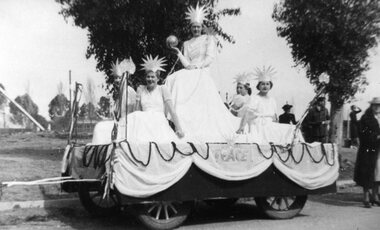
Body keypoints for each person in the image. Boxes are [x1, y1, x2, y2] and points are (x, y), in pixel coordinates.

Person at [165, 3, 239, 142]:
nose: (196, 29)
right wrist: (178, 52)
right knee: (173, 78)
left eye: (198, 26)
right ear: (191, 28)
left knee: (188, 79)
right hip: (190, 69)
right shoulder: (186, 43)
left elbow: (209, 58)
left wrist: (198, 66)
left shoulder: (208, 38)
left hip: (202, 69)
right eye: (194, 27)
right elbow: (187, 63)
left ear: (201, 26)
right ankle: (178, 120)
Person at [236, 66, 303, 145]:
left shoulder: (272, 100)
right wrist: (241, 127)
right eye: (262, 84)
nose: (265, 86)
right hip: (259, 126)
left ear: (270, 86)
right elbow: (247, 113)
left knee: (292, 129)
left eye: (267, 84)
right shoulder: (255, 98)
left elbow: (274, 118)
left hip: (270, 125)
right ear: (259, 86)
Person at [127, 55, 184, 142]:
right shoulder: (141, 90)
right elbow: (137, 111)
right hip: (144, 122)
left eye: (153, 77)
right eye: (148, 77)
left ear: (157, 78)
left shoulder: (162, 89)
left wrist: (178, 128)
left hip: (158, 121)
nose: (150, 79)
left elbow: (172, 111)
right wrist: (138, 97)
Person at [354, 97, 380, 208]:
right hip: (369, 149)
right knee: (367, 172)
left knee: (378, 173)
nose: (377, 107)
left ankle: (375, 196)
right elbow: (362, 133)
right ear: (371, 106)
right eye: (375, 105)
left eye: (379, 105)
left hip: (379, 150)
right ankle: (366, 197)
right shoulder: (366, 118)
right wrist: (376, 137)